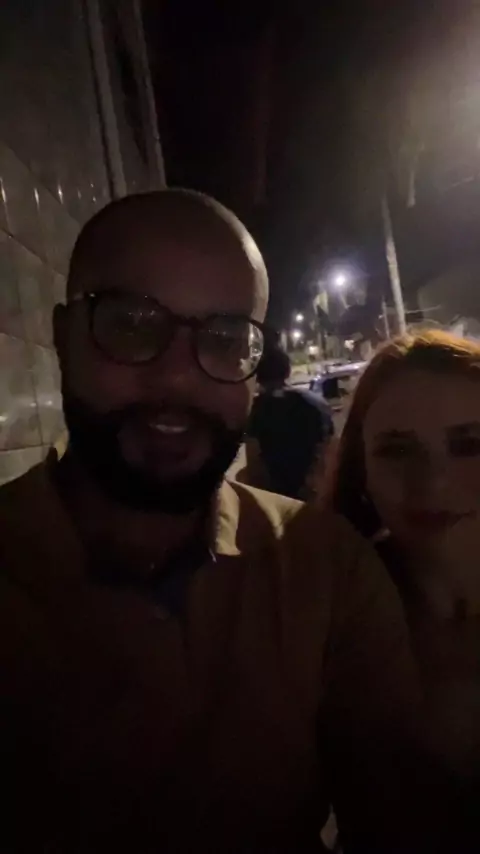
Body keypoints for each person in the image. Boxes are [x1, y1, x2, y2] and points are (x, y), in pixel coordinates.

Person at [0, 191, 439, 852]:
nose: (178, 378)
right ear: (64, 338)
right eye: (132, 324)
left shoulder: (324, 567)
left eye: (227, 339)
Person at [325, 329, 480, 847]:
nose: (432, 483)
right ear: (361, 471)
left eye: (469, 444)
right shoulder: (320, 613)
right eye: (396, 450)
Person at [245, 345, 334, 499]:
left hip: (277, 497)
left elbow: (254, 463)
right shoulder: (316, 403)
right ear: (287, 371)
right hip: (314, 492)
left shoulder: (256, 409)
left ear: (256, 376)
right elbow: (329, 447)